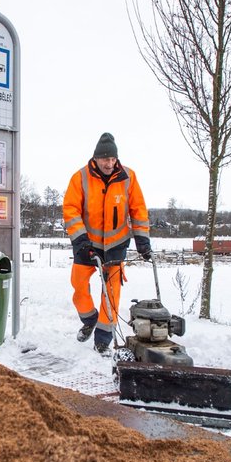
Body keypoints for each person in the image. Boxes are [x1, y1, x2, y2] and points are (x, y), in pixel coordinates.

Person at [62, 132, 151, 354]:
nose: (109, 164)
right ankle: (89, 317)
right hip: (87, 245)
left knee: (111, 293)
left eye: (112, 159)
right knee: (79, 286)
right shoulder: (80, 178)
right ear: (96, 158)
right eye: (105, 160)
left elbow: (138, 209)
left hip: (115, 244)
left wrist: (142, 239)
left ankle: (103, 337)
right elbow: (71, 209)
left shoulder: (128, 177)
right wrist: (80, 239)